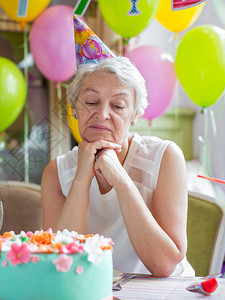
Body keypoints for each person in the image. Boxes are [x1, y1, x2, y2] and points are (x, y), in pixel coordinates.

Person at [41, 56, 195, 277]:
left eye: (118, 106)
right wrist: (82, 177)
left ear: (134, 115)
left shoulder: (166, 157)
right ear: (75, 108)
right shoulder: (56, 172)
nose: (103, 114)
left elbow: (164, 266)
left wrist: (120, 179)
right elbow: (57, 263)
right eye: (91, 102)